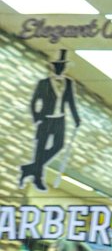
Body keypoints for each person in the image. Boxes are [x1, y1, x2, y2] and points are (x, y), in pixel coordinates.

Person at [20, 49, 80, 191]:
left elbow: (70, 102)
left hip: (60, 120)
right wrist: (36, 119)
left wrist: (76, 118)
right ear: (54, 67)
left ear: (65, 67)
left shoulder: (69, 84)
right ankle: (37, 177)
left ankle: (30, 168)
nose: (61, 68)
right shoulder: (43, 83)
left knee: (58, 146)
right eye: (58, 66)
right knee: (40, 149)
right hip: (45, 120)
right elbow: (34, 102)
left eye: (63, 66)